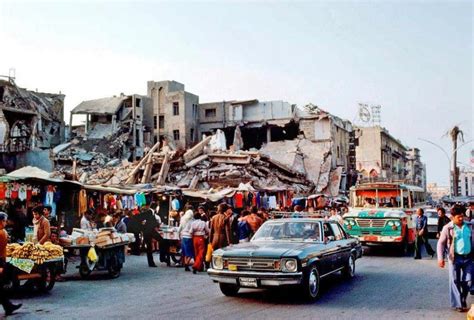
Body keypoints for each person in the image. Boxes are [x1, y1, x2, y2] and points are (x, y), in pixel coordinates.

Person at [437, 205, 474, 312]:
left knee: (469, 281)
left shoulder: (470, 226)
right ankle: (458, 304)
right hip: (454, 258)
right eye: (458, 217)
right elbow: (440, 244)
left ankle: (463, 298)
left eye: (462, 216)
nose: (461, 219)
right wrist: (440, 259)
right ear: (452, 217)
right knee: (455, 281)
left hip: (469, 258)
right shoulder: (447, 228)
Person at [0, 212, 22, 316]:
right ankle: (8, 306)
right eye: (4, 221)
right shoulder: (1, 233)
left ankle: (8, 306)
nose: (6, 222)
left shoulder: (3, 232)